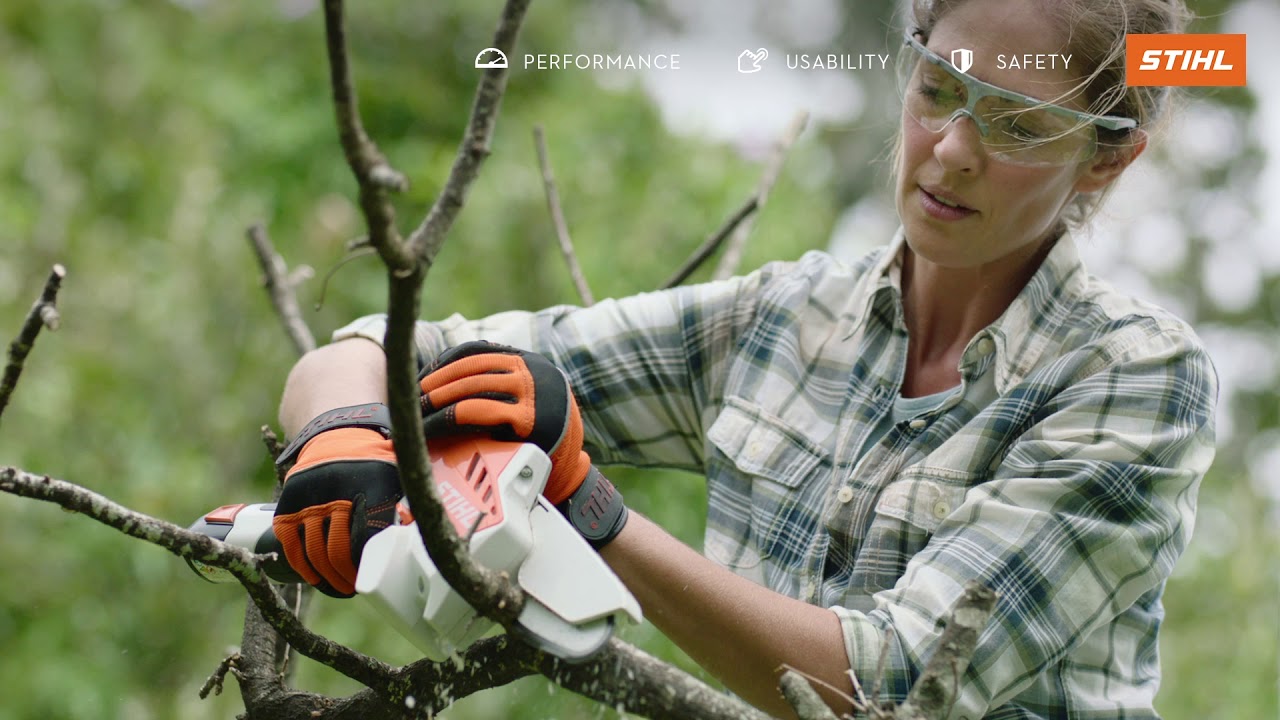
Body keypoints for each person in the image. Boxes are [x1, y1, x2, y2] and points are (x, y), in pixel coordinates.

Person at [270, 0, 1218, 716]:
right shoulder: (783, 317)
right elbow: (378, 349)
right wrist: (342, 434)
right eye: (938, 90)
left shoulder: (1135, 384)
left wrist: (587, 506)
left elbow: (882, 688)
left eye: (1015, 124)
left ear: (1105, 159)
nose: (954, 148)